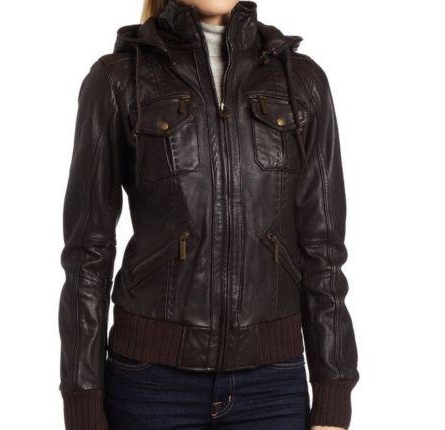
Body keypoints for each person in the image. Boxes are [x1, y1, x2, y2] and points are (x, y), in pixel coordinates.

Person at [57, 0, 360, 429]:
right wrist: (83, 401)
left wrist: (334, 391)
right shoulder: (118, 78)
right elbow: (88, 254)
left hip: (272, 390)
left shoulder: (301, 81)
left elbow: (323, 250)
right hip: (150, 386)